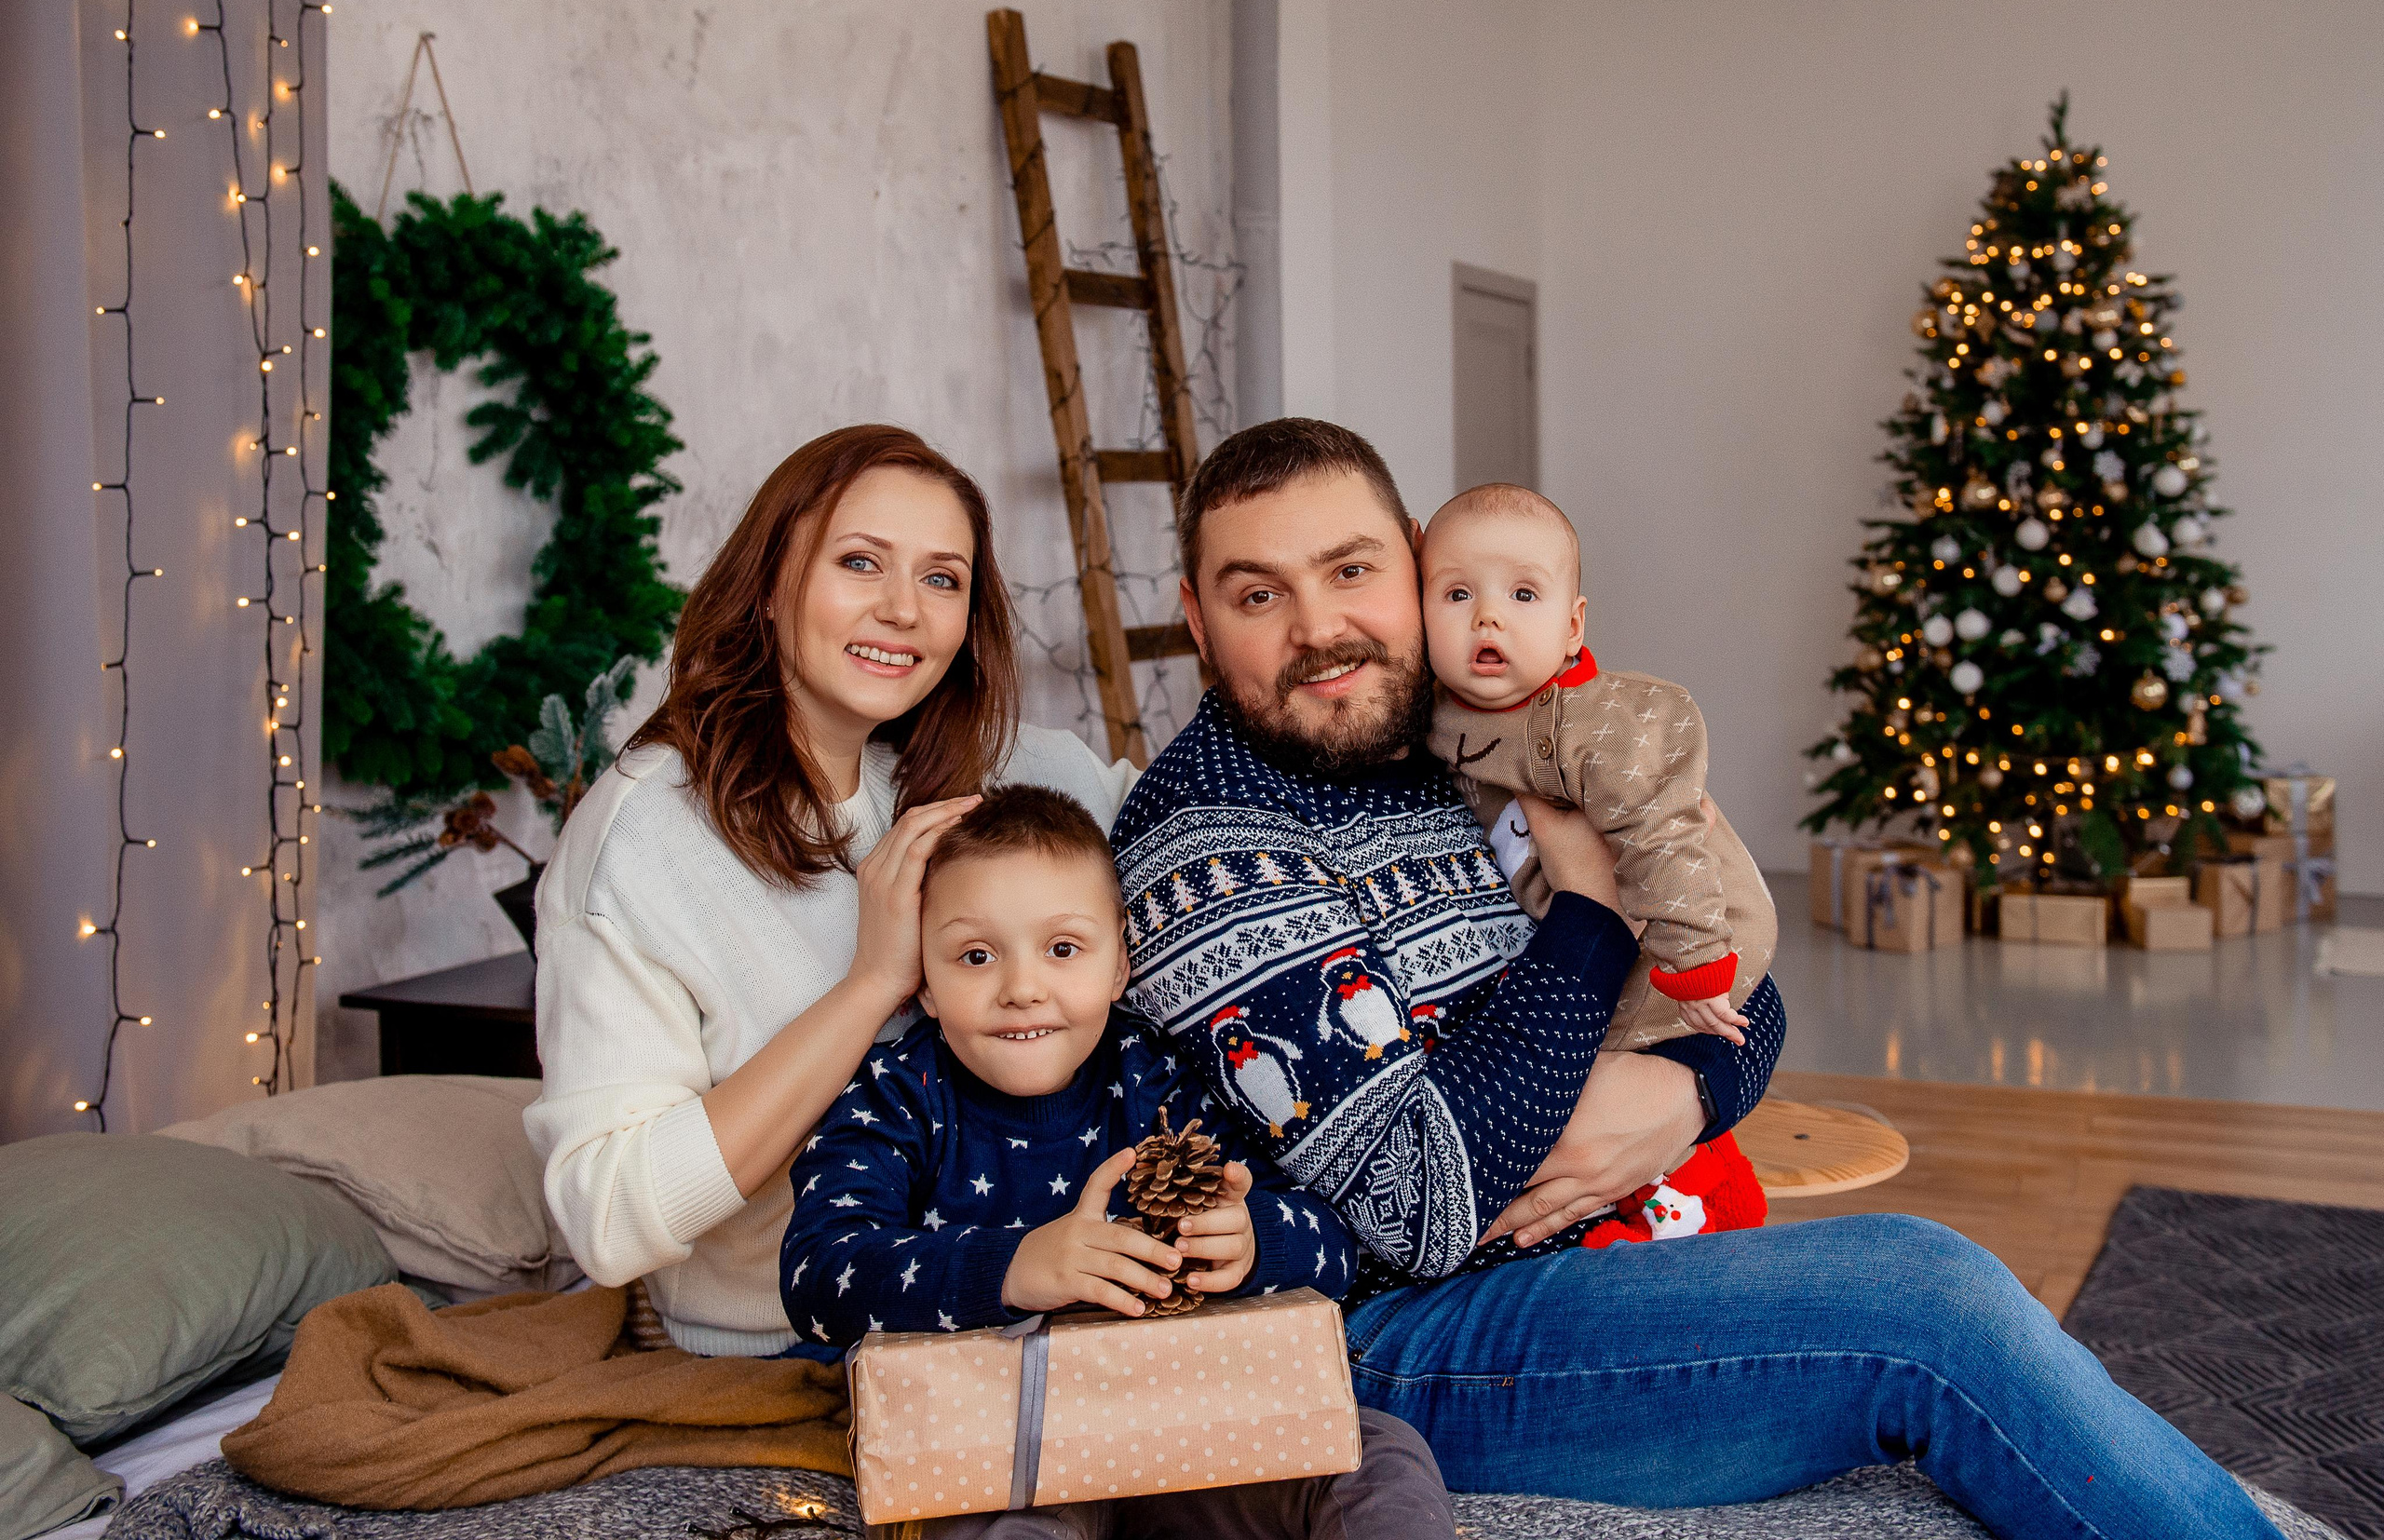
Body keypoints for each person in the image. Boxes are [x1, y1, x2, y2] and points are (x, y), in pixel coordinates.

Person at [1111, 416, 2284, 1540]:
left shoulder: (1450, 744)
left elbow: (1735, 976)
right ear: (1197, 623)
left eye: (1351, 571)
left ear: (1415, 569)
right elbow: (1422, 1204)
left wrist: (1683, 1096)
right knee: (1926, 1303)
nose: (1321, 629)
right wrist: (1586, 906)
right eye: (1257, 592)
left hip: (1563, 1258)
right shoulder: (1207, 850)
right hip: (1389, 1342)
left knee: (1944, 1297)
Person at [524, 426, 1134, 1359]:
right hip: (801, 1343)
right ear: (768, 586)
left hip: (1049, 1300)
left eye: (941, 578)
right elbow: (608, 1218)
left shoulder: (1007, 769)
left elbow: (1194, 811)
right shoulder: (642, 840)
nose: (903, 609)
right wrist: (871, 983)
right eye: (860, 562)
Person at [782, 785, 1453, 1540]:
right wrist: (1015, 1266)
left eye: (1063, 948)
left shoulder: (1159, 1073)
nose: (1022, 988)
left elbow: (1336, 1243)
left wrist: (1254, 1237)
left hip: (1190, 1433)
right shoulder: (896, 1095)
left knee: (1387, 1453)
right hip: (1004, 1454)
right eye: (975, 955)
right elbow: (816, 1275)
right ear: (924, 982)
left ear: (1118, 964)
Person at [1419, 481, 1775, 1054]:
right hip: (1570, 923)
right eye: (1458, 595)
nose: (1488, 617)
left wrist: (1696, 964)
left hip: (1693, 933)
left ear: (1573, 628)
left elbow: (1658, 839)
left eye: (1524, 595)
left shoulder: (1597, 726)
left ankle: (1699, 1136)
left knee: (1603, 1055)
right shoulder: (1433, 707)